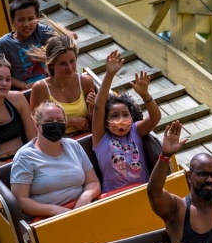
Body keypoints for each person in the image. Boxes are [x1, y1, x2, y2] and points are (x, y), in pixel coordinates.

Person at [9, 101, 99, 219]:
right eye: (49, 121)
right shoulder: (25, 156)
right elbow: (20, 200)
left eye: (60, 121)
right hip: (47, 218)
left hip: (82, 209)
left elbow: (93, 182)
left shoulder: (74, 146)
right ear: (37, 125)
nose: (55, 125)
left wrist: (86, 196)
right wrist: (55, 210)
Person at [92, 50, 161, 197]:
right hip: (114, 197)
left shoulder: (135, 131)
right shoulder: (101, 138)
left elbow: (155, 118)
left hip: (142, 192)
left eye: (125, 114)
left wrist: (145, 95)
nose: (121, 119)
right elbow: (98, 107)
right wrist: (110, 74)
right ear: (105, 121)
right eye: (114, 116)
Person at [28, 33, 96, 135]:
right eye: (62, 64)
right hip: (55, 141)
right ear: (52, 66)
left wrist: (93, 108)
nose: (69, 67)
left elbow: (93, 125)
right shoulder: (40, 88)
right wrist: (69, 122)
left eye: (72, 61)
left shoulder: (86, 81)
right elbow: (36, 127)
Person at [0, 0, 53, 88]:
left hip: (48, 82)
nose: (26, 24)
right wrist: (24, 86)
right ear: (12, 22)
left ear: (38, 19)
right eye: (21, 20)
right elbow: (3, 73)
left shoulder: (41, 31)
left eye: (31, 19)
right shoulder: (5, 44)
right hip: (24, 89)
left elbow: (66, 37)